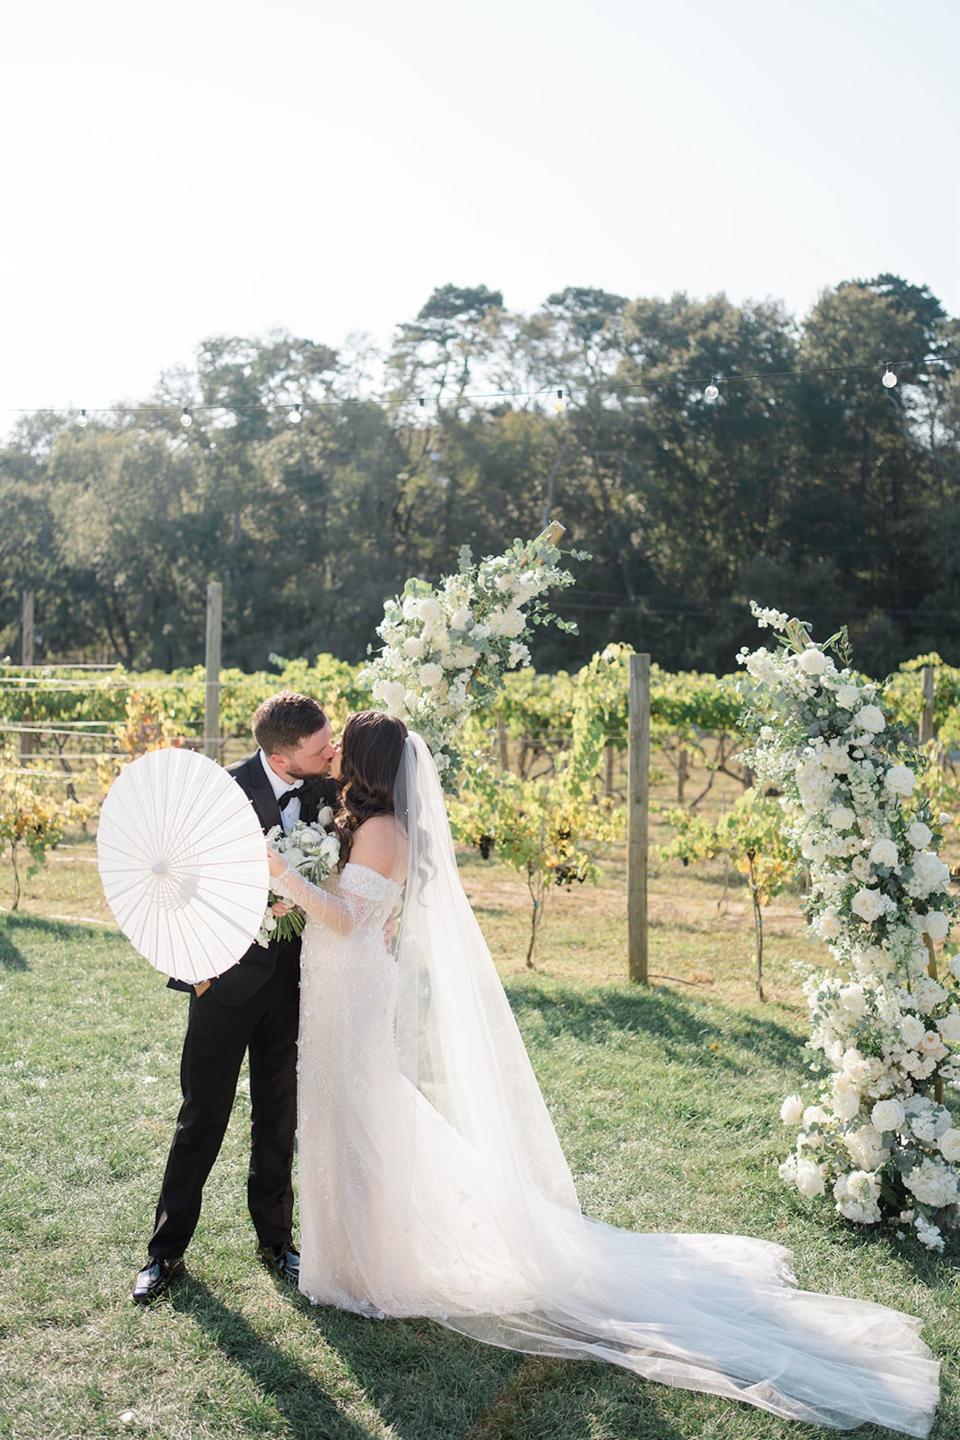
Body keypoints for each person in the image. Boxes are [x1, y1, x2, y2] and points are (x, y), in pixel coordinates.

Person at [267, 712, 940, 1438]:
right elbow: (356, 913)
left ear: (366, 763)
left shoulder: (385, 831)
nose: (332, 756)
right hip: (341, 989)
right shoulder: (363, 824)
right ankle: (349, 1262)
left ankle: (363, 1270)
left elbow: (345, 921)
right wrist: (293, 889)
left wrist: (286, 878)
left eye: (344, 748)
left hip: (353, 992)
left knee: (360, 1118)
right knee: (344, 1116)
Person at [132, 692, 339, 1304]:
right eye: (318, 747)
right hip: (222, 985)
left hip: (297, 985)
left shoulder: (327, 793)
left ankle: (277, 1243)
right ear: (280, 755)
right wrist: (193, 973)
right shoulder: (220, 794)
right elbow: (174, 884)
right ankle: (164, 1254)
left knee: (278, 1120)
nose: (330, 753)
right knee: (201, 1118)